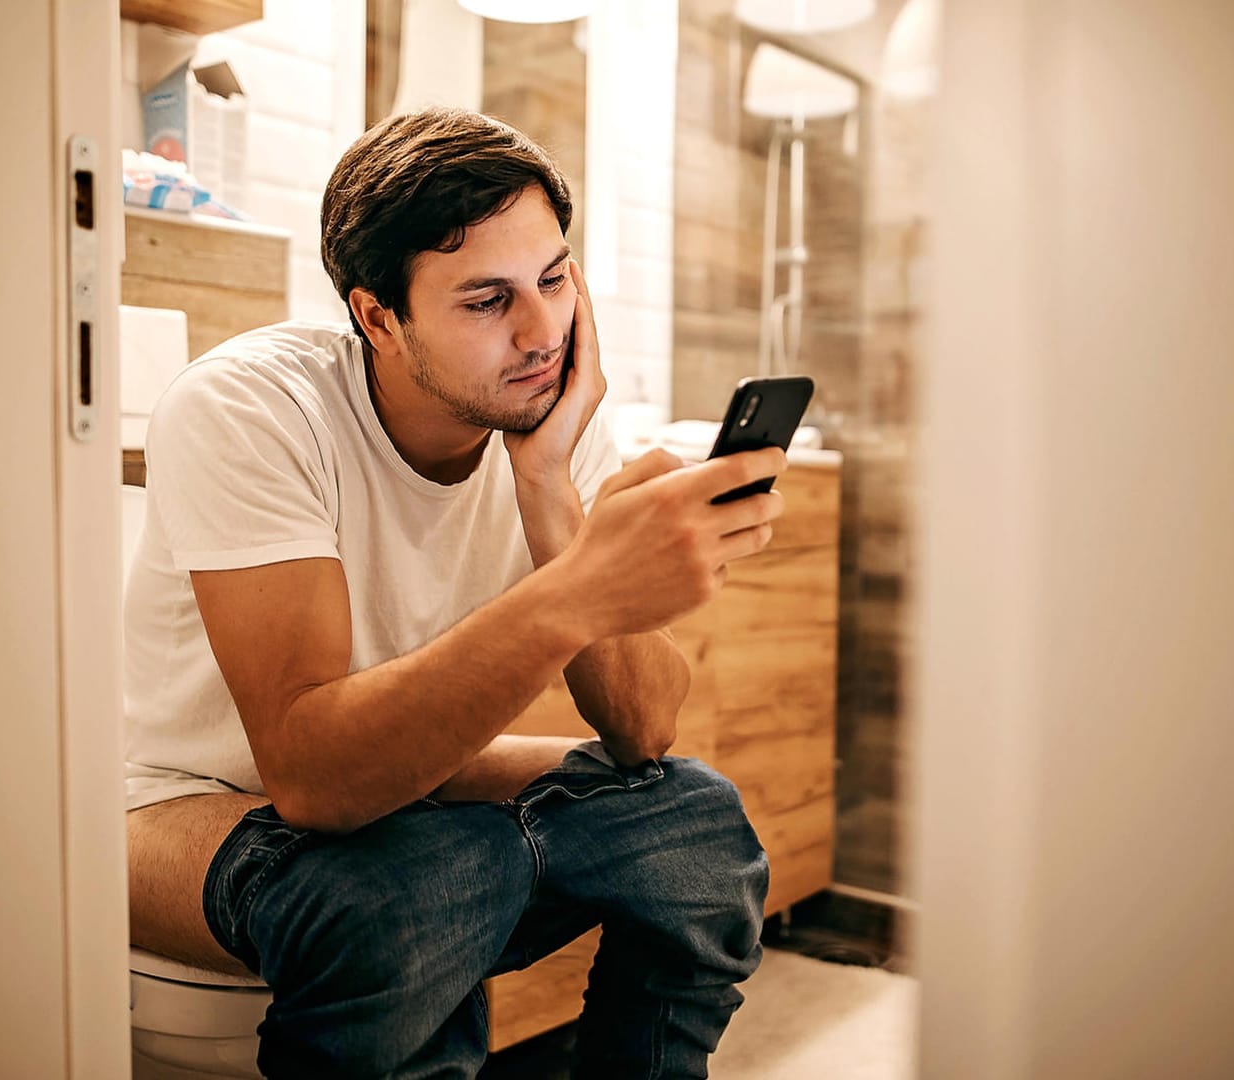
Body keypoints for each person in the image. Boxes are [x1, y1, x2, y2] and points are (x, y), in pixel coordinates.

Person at [122, 106, 788, 1078]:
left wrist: (551, 487)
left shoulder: (544, 415)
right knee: (433, 878)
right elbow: (310, 778)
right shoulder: (251, 407)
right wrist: (582, 589)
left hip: (406, 784)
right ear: (377, 315)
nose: (540, 333)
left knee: (690, 821)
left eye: (554, 281)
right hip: (182, 807)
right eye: (487, 301)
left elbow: (644, 729)